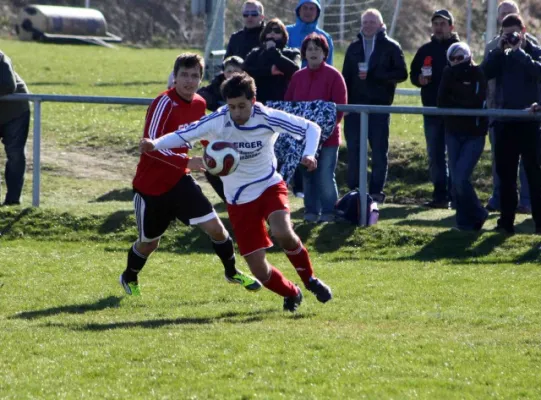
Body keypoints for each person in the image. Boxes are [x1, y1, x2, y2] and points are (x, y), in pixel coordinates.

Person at [139, 72, 333, 312]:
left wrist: (310, 153)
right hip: (238, 199)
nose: (237, 112)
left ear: (254, 100)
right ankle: (292, 293)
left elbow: (311, 127)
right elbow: (184, 135)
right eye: (232, 107)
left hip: (268, 185)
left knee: (283, 232)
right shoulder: (219, 120)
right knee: (258, 269)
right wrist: (155, 144)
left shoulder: (266, 116)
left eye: (242, 106)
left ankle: (310, 280)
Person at [119, 54, 261, 296]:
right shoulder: (163, 103)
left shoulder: (198, 104)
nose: (189, 81)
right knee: (149, 243)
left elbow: (204, 135)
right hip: (150, 187)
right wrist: (188, 161)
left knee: (217, 228)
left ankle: (232, 272)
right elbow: (150, 148)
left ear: (201, 79)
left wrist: (219, 152)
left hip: (180, 182)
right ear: (174, 77)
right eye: (184, 75)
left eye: (194, 75)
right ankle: (129, 276)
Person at [482, 14, 541, 234]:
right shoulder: (501, 54)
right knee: (506, 176)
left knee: (534, 174)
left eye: (515, 33)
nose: (512, 38)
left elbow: (538, 71)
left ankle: (539, 223)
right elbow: (484, 74)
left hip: (530, 122)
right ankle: (506, 223)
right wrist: (498, 50)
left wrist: (519, 52)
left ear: (524, 30)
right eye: (506, 34)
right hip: (505, 121)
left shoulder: (535, 52)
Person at [342, 9, 407, 203]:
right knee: (354, 150)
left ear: (380, 25)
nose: (368, 25)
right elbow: (344, 78)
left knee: (379, 151)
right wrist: (344, 105)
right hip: (354, 109)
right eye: (365, 22)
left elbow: (402, 73)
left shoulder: (392, 46)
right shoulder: (353, 48)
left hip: (379, 107)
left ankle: (376, 191)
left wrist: (376, 75)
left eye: (372, 22)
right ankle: (353, 192)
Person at [285, 33, 347, 223]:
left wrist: (323, 132)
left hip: (328, 139)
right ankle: (311, 212)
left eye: (317, 49)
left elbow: (340, 108)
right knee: (308, 176)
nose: (313, 53)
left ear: (324, 53)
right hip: (303, 139)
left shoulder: (334, 76)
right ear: (304, 53)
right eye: (309, 49)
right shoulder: (297, 77)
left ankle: (329, 212)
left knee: (325, 176)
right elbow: (289, 105)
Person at [410, 9, 459, 209]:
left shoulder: (459, 49)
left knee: (455, 156)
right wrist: (419, 80)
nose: (439, 28)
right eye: (436, 24)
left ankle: (457, 197)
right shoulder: (425, 50)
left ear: (451, 27)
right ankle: (440, 197)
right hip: (431, 110)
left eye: (443, 24)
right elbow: (413, 73)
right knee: (435, 156)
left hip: (456, 112)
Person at [437, 42, 489, 231]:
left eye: (460, 58)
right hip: (453, 132)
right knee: (456, 182)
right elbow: (442, 101)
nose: (456, 62)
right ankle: (465, 222)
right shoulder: (447, 73)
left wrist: (457, 103)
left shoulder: (477, 73)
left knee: (460, 177)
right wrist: (460, 104)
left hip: (474, 134)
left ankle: (479, 212)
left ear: (467, 56)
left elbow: (476, 102)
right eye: (452, 58)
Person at [243, 18, 301, 104]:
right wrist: (269, 71)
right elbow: (245, 71)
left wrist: (274, 52)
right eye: (269, 30)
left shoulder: (292, 53)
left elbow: (295, 70)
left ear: (283, 35)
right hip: (259, 101)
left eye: (277, 31)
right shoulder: (255, 53)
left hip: (283, 102)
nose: (272, 33)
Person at [0, 50, 30, 206]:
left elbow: (7, 85)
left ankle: (12, 200)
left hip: (15, 111)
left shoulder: (1, 57)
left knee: (15, 155)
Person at [286, 0, 334, 66]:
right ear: (299, 10)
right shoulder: (285, 32)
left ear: (317, 12)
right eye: (305, 8)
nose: (308, 11)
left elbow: (328, 69)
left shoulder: (325, 38)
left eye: (312, 9)